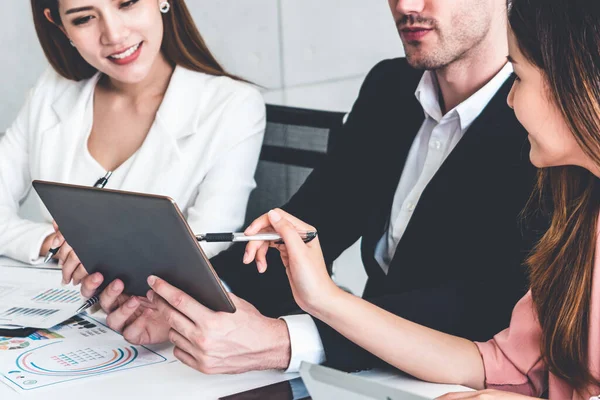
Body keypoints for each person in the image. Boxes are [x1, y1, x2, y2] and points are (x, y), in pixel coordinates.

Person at [80, 0, 540, 375]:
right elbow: (306, 227)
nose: (406, 6)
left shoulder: (548, 121)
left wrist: (285, 342)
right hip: (366, 375)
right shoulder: (391, 84)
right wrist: (189, 302)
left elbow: (491, 310)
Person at [230, 0, 600, 397]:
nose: (405, 5)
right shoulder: (581, 207)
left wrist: (291, 334)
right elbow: (504, 362)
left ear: (575, 84)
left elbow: (486, 313)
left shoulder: (546, 166)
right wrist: (321, 299)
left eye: (520, 77)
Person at [0, 0, 265, 277]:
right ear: (59, 25)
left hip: (164, 306)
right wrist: (51, 243)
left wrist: (98, 251)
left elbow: (207, 243)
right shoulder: (52, 90)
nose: (114, 35)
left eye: (127, 4)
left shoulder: (233, 105)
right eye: (84, 19)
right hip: (58, 298)